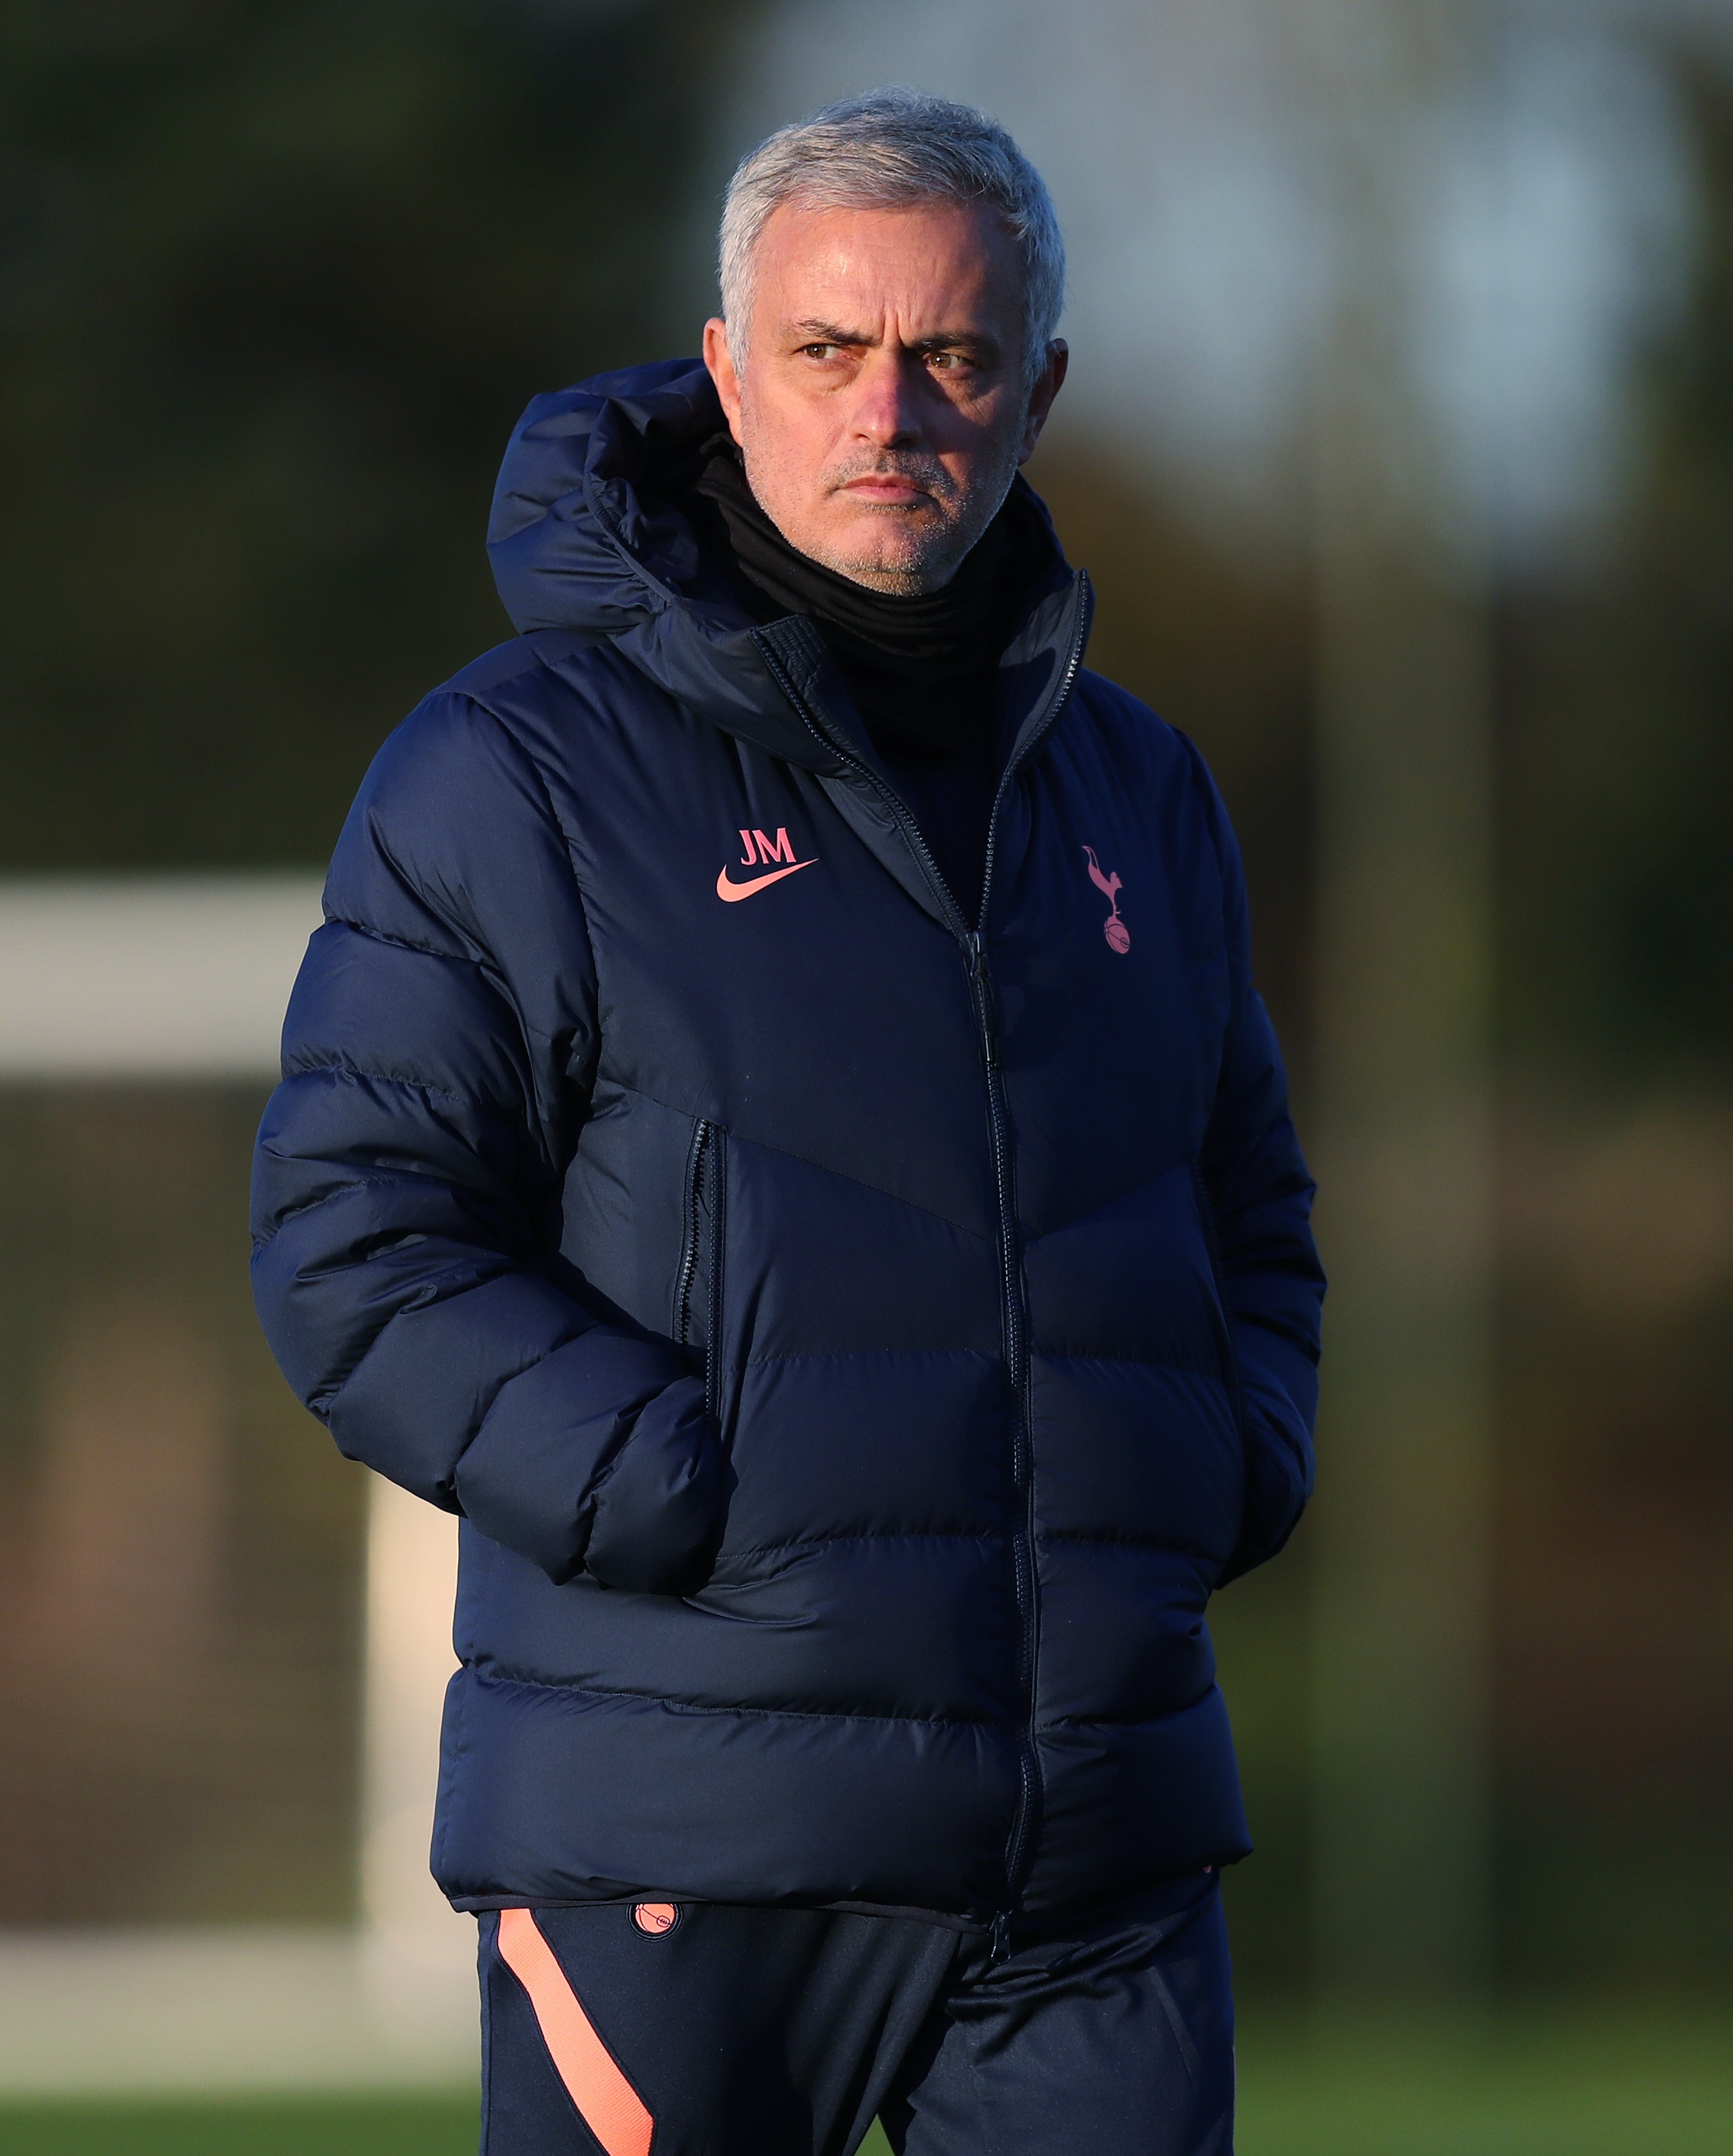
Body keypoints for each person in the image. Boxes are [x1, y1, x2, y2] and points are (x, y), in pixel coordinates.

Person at [251, 88, 1323, 2156]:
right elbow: (355, 1249)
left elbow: (1247, 1207)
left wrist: (1222, 1456)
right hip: (689, 1831)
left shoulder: (1138, 791)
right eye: (828, 350)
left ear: (1040, 387)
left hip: (1092, 1845)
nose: (890, 409)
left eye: (953, 354)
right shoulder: (512, 771)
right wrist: (697, 1497)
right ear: (728, 370)